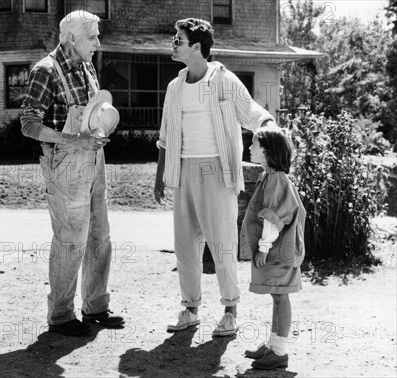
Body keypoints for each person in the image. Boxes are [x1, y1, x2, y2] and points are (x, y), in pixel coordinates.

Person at [154, 18, 275, 336]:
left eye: (178, 40)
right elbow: (165, 137)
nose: (173, 44)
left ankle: (230, 312)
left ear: (196, 47)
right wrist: (159, 178)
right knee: (185, 246)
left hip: (218, 172)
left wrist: (268, 130)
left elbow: (252, 113)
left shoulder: (225, 81)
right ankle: (190, 309)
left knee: (221, 244)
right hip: (182, 172)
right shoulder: (175, 87)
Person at [20, 10, 124, 337]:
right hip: (65, 160)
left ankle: (95, 306)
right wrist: (72, 139)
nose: (97, 42)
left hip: (94, 157)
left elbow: (90, 113)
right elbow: (28, 124)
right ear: (72, 38)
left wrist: (98, 130)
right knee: (70, 240)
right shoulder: (46, 71)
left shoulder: (86, 65)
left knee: (99, 235)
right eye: (92, 37)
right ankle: (61, 315)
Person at [240, 125, 305, 370]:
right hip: (278, 251)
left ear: (266, 151)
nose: (249, 147)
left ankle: (280, 352)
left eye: (254, 144)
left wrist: (264, 247)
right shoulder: (268, 176)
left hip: (280, 251)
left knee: (281, 298)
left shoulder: (276, 179)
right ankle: (273, 345)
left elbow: (274, 217)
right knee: (277, 297)